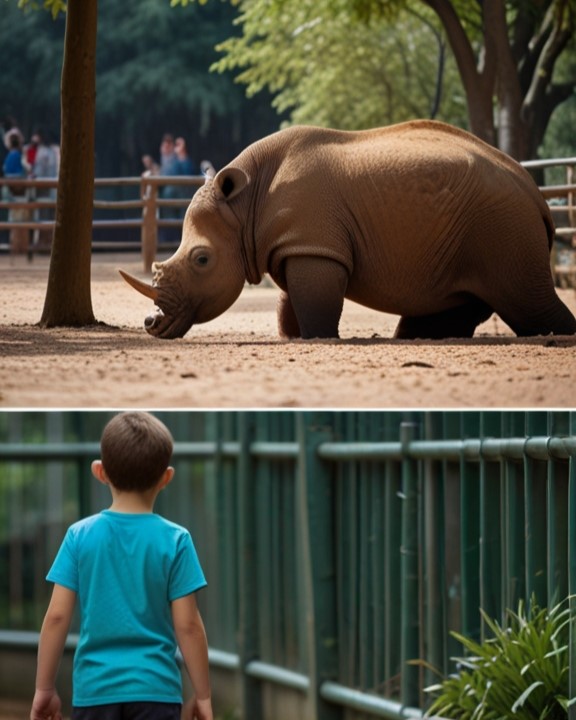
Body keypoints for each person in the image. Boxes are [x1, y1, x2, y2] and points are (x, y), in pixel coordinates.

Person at [30, 411, 213, 720]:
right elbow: (189, 626)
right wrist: (204, 694)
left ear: (100, 472)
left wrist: (44, 688)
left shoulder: (79, 536)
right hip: (156, 690)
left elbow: (57, 616)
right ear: (166, 477)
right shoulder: (176, 540)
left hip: (95, 691)